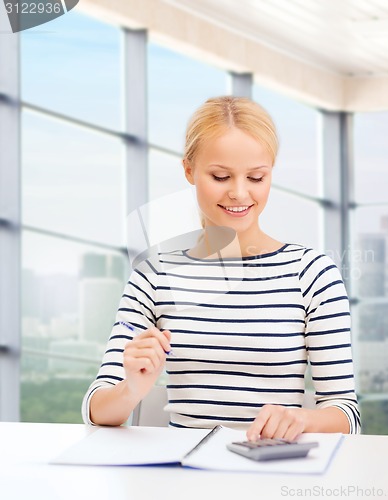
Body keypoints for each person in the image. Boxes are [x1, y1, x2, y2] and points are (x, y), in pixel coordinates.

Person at [82, 96, 360, 439]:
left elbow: (346, 412)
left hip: (273, 472)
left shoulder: (312, 273)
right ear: (189, 170)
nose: (239, 193)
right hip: (182, 480)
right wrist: (132, 388)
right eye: (221, 176)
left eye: (256, 177)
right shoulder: (154, 276)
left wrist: (302, 419)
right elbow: (96, 409)